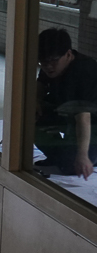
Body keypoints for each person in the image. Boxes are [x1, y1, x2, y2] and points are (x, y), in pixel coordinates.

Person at [36, 28, 97, 180]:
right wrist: (34, 103)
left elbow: (83, 117)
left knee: (74, 164)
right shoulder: (50, 65)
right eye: (43, 62)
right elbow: (40, 86)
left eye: (53, 61)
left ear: (68, 55)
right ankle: (61, 156)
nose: (48, 66)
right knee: (31, 120)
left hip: (92, 124)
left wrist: (82, 155)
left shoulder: (85, 71)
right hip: (66, 113)